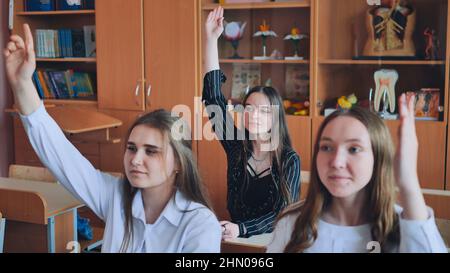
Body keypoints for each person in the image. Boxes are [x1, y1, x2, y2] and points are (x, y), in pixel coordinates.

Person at [4, 24, 221, 253]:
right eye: (131, 148)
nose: (135, 160)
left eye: (151, 151)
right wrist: (22, 85)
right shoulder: (116, 196)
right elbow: (60, 155)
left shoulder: (200, 225)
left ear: (178, 162)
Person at [267, 95, 447, 252]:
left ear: (378, 157)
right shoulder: (291, 223)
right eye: (327, 147)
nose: (337, 162)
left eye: (354, 149)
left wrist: (408, 183)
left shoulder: (403, 226)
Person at [203, 7, 301, 239]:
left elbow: (282, 213)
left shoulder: (288, 159)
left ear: (276, 117)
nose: (254, 115)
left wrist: (242, 229)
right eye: (248, 108)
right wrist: (210, 39)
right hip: (235, 239)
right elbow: (213, 100)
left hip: (275, 242)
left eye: (264, 111)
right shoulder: (237, 146)